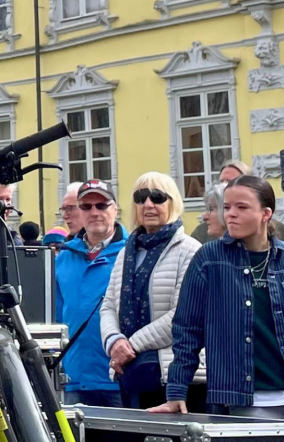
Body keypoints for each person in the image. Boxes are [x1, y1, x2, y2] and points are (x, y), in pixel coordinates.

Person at [158, 176, 284, 423]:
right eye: (227, 207)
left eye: (241, 207)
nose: (230, 214)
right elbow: (187, 329)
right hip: (239, 401)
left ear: (266, 214)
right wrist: (177, 389)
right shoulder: (209, 260)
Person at [100, 172, 197, 409]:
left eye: (157, 197)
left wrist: (130, 346)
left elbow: (182, 315)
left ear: (172, 202)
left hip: (170, 376)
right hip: (131, 372)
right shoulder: (127, 251)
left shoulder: (190, 250)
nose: (148, 205)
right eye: (141, 197)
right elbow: (109, 306)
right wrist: (114, 342)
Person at [53, 180, 126, 406]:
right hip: (73, 380)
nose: (94, 212)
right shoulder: (63, 258)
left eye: (101, 205)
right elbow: (56, 319)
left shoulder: (132, 252)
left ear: (115, 209)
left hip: (120, 378)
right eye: (86, 206)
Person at [193, 161, 284, 244]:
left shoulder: (280, 232)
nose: (225, 187)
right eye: (221, 181)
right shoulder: (203, 234)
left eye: (231, 182)